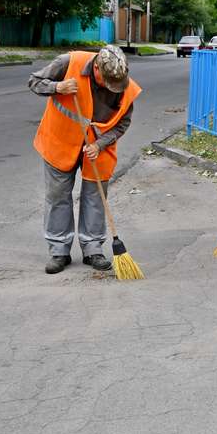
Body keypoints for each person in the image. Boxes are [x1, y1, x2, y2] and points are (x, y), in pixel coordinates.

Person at [28, 45, 142, 274]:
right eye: (107, 82)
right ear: (97, 67)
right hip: (60, 140)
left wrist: (100, 144)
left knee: (95, 198)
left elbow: (123, 123)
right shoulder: (69, 62)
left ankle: (93, 249)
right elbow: (34, 81)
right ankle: (59, 251)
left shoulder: (123, 84)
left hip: (97, 149)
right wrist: (57, 86)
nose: (113, 88)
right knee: (58, 196)